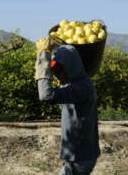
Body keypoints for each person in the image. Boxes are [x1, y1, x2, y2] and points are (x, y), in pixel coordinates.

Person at [35, 37, 100, 175]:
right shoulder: (80, 83)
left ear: (70, 68)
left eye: (59, 71)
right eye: (55, 72)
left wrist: (43, 55)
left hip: (80, 158)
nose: (56, 76)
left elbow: (45, 95)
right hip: (78, 156)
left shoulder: (82, 88)